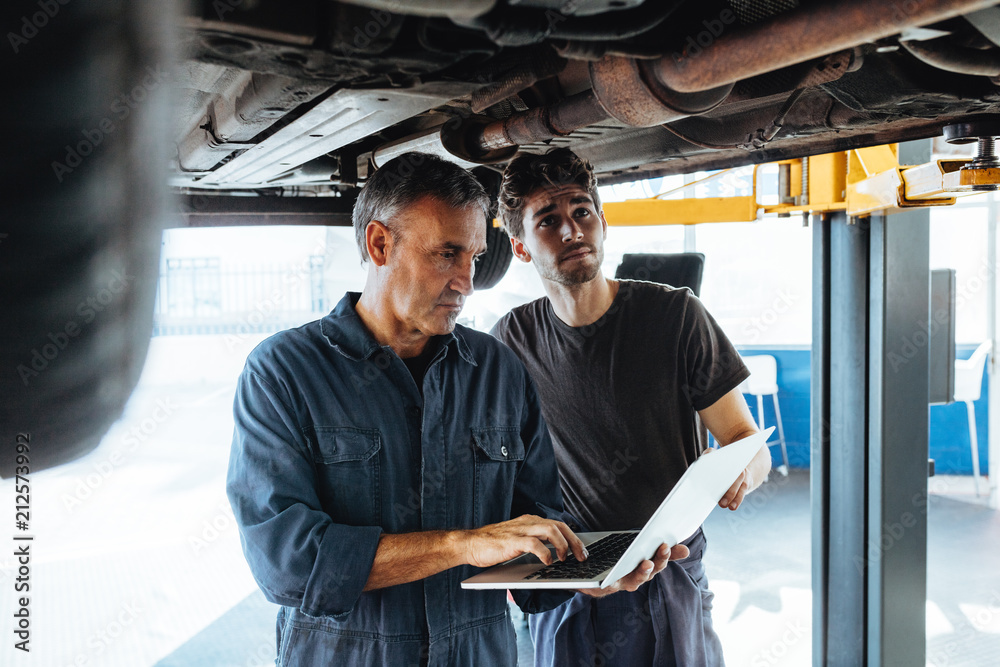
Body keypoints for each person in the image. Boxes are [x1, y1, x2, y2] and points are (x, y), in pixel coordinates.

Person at [226, 152, 685, 666]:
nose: (466, 281)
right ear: (380, 244)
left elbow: (530, 539)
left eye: (474, 257)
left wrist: (588, 575)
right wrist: (461, 545)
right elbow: (286, 564)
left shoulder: (498, 371)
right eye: (446, 254)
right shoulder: (284, 371)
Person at [492, 147, 772, 667]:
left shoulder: (676, 315)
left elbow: (747, 446)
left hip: (669, 568)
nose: (572, 230)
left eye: (581, 211)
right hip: (575, 580)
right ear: (520, 247)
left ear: (603, 221)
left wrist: (741, 475)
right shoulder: (512, 339)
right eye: (548, 221)